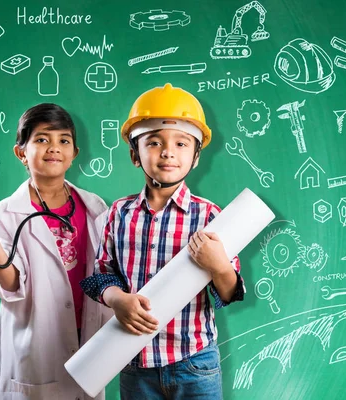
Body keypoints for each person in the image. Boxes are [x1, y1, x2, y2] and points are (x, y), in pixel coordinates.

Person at [80, 83, 245, 400]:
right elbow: (99, 276)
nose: (168, 151)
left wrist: (219, 265)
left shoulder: (210, 216)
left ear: (196, 157)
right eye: (154, 142)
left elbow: (230, 291)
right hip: (134, 363)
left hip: (194, 363)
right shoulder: (119, 213)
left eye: (182, 143)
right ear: (134, 154)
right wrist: (117, 299)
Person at [0, 103, 112, 400]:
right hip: (37, 356)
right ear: (21, 153)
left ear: (74, 154)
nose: (53, 148)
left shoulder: (95, 207)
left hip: (89, 349)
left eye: (63, 141)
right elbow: (7, 285)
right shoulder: (4, 216)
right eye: (42, 139)